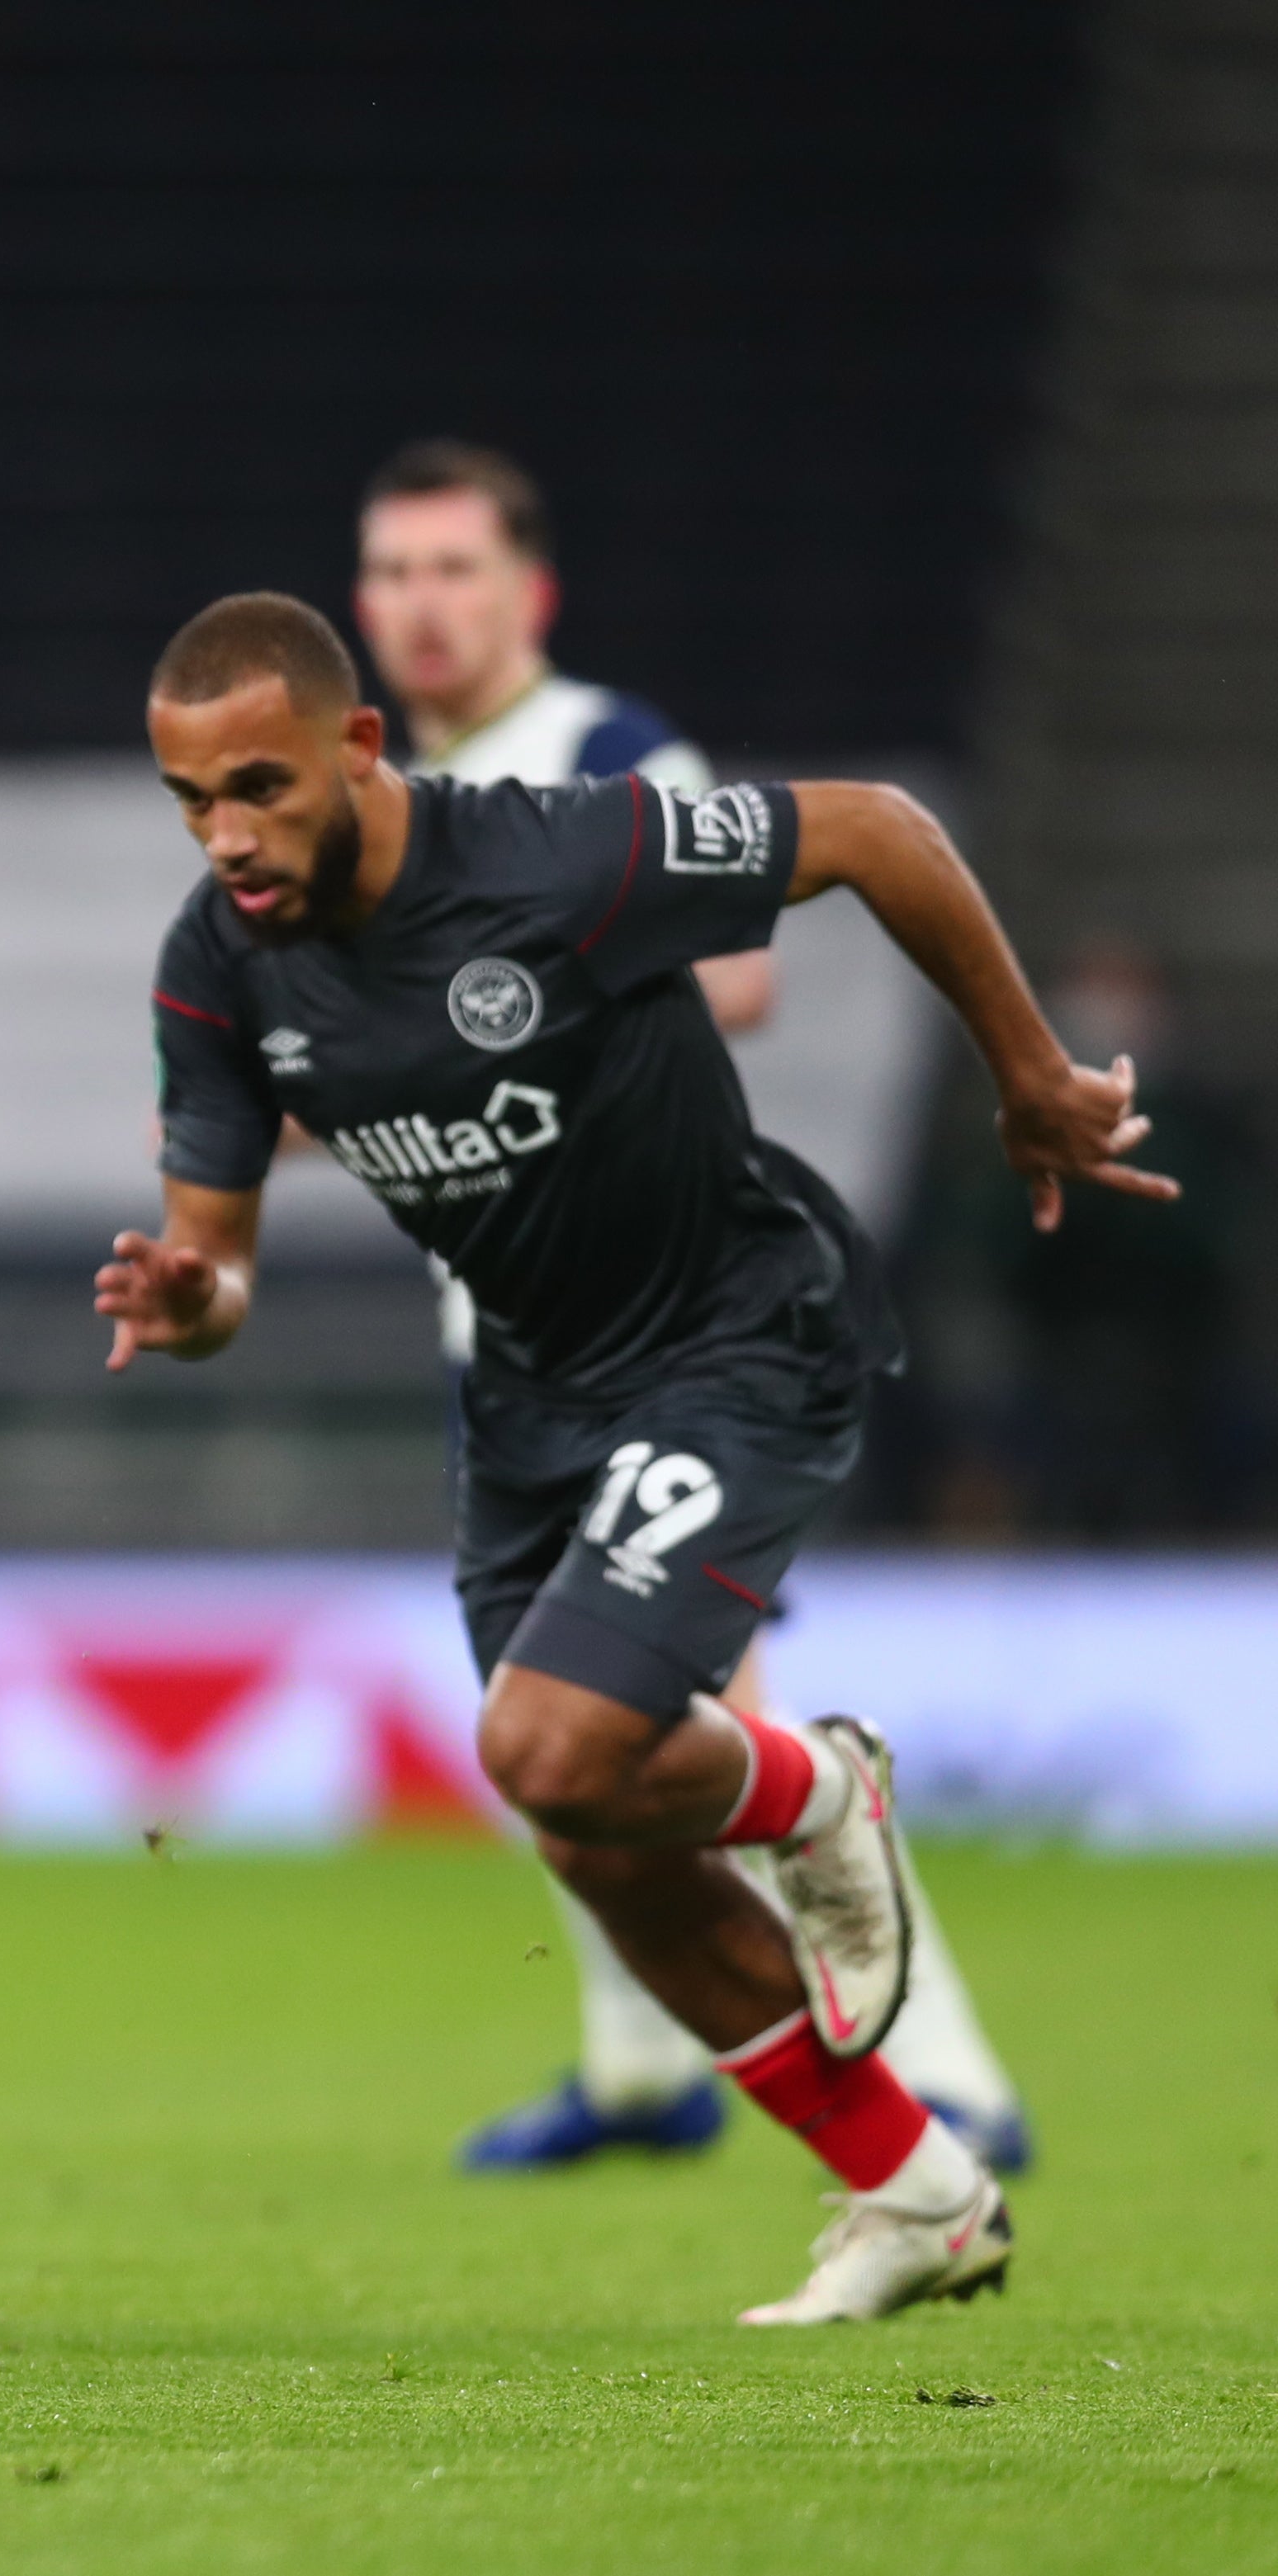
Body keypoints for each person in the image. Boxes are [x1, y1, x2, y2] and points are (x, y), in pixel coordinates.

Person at [97, 594, 1168, 2323]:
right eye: (187, 799)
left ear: (355, 751)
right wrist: (186, 1293)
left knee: (541, 1739)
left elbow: (876, 833)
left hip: (733, 1335)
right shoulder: (215, 968)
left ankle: (817, 1789)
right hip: (529, 1398)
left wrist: (1028, 1073)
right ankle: (913, 2190)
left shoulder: (551, 856)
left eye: (257, 787)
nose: (225, 834)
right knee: (583, 1827)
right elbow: (212, 1255)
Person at [351, 442, 1034, 2177]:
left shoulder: (598, 755)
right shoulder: (369, 814)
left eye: (451, 570)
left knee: (689, 1718)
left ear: (527, 594)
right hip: (500, 1328)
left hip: (652, 1319)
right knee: (556, 1721)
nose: (420, 606)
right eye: (391, 574)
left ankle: (947, 2077)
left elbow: (736, 970)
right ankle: (640, 2072)